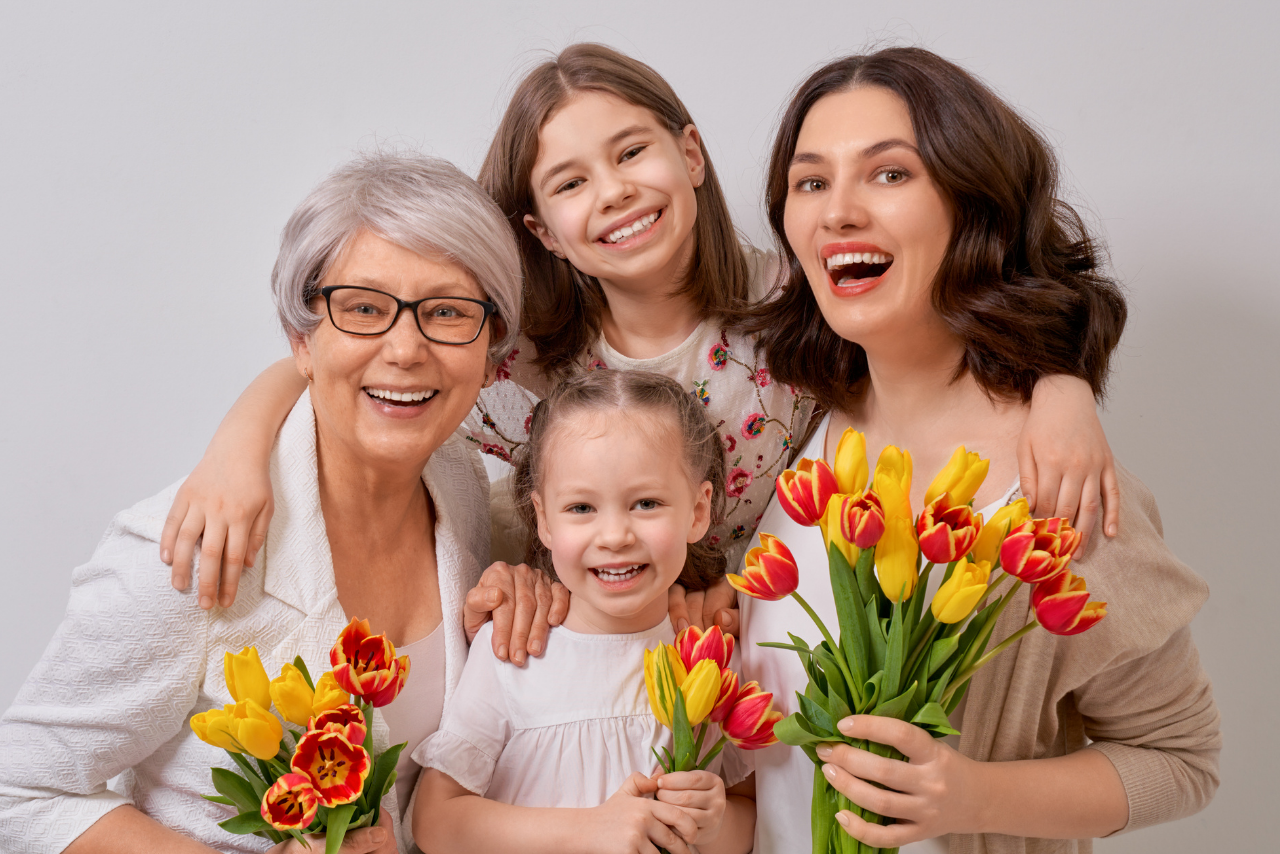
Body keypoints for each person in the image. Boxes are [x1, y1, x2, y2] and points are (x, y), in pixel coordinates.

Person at [156, 44, 1119, 635]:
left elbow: (949, 321)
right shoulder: (522, 361)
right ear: (539, 230)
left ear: (689, 155)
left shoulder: (794, 301)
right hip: (593, 645)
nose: (612, 192)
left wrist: (1061, 386)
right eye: (568, 183)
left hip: (768, 648)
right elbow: (355, 355)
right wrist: (235, 451)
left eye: (630, 153)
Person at [739, 47, 1220, 854]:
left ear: (975, 205)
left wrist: (971, 796)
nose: (838, 212)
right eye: (810, 182)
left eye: (890, 174)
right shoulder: (784, 426)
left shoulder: (1062, 486)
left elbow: (1183, 761)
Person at [0, 152, 525, 853]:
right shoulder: (187, 553)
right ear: (300, 338)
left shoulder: (459, 481)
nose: (406, 348)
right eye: (364, 307)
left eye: (448, 312)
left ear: (492, 349)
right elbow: (20, 794)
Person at [413, 369, 756, 854]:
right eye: (581, 508)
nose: (614, 535)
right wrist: (590, 830)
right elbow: (435, 820)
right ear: (544, 521)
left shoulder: (713, 661)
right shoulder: (513, 655)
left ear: (698, 512)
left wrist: (716, 827)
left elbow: (750, 814)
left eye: (646, 502)